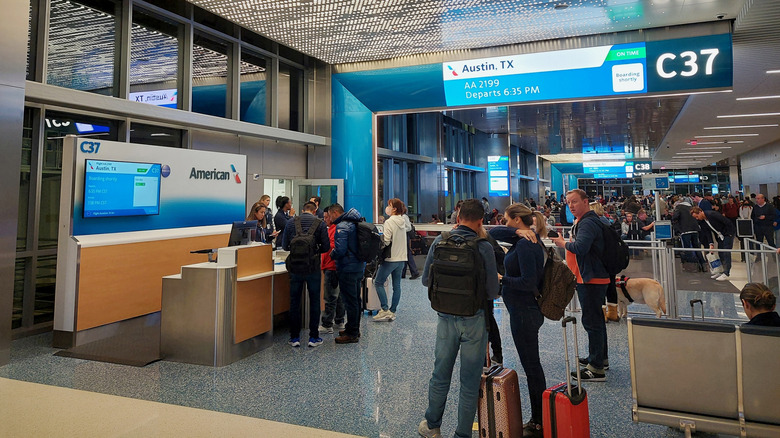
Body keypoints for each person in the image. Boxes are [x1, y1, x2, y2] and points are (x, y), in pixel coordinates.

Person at [418, 199, 499, 438]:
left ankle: (432, 425)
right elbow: (493, 291)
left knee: (440, 374)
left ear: (458, 216)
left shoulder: (441, 241)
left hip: (445, 317)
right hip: (474, 320)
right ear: (480, 220)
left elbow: (425, 281)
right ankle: (462, 434)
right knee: (469, 381)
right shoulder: (483, 246)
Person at [488, 204, 548, 438]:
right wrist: (516, 232)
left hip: (525, 311)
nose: (503, 222)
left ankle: (538, 421)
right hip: (523, 310)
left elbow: (528, 282)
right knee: (531, 365)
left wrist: (503, 279)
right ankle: (539, 418)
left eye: (506, 219)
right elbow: (492, 234)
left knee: (532, 366)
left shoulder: (525, 246)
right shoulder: (522, 240)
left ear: (515, 219)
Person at [551, 189, 610, 382]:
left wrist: (562, 243)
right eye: (568, 202)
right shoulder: (587, 221)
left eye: (575, 201)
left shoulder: (587, 223)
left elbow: (581, 248)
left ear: (586, 202)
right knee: (597, 321)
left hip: (590, 279)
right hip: (592, 277)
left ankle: (596, 369)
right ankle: (599, 358)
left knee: (592, 322)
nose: (571, 206)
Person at [281, 201, 330, 347]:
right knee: (315, 301)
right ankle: (313, 337)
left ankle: (294, 337)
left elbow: (284, 246)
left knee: (294, 301)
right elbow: (326, 246)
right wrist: (314, 251)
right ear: (315, 211)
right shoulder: (320, 223)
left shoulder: (291, 223)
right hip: (313, 268)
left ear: (302, 210)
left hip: (295, 268)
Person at [330, 203, 366, 344]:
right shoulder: (356, 222)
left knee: (350, 301)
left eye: (330, 214)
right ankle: (353, 328)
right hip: (358, 266)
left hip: (347, 268)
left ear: (334, 212)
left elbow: (340, 250)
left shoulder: (343, 226)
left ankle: (352, 333)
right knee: (355, 299)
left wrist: (332, 254)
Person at [373, 198, 408, 322]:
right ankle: (392, 311)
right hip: (402, 258)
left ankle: (384, 309)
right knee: (396, 286)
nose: (387, 207)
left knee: (378, 282)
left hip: (390, 258)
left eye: (389, 205)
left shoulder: (389, 222)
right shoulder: (403, 221)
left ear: (394, 209)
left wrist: (378, 240)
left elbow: (387, 240)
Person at [319, 206, 345, 334]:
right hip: (334, 266)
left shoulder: (336, 229)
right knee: (338, 296)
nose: (325, 220)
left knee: (330, 296)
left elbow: (333, 247)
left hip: (331, 266)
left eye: (327, 217)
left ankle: (327, 323)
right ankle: (339, 320)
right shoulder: (337, 228)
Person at [691, 206, 735, 281]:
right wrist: (711, 243)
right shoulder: (702, 221)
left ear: (700, 212)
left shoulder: (712, 214)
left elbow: (727, 222)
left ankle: (726, 272)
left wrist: (730, 233)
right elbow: (707, 232)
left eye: (697, 216)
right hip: (720, 235)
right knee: (721, 253)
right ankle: (721, 271)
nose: (697, 218)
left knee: (726, 253)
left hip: (727, 233)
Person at [672, 197, 707, 272]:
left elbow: (675, 217)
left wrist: (677, 228)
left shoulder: (679, 207)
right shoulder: (691, 207)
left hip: (685, 230)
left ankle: (692, 266)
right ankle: (703, 265)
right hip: (695, 230)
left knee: (687, 249)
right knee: (697, 248)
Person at [402, 206, 421, 280]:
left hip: (404, 235)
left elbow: (408, 228)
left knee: (407, 254)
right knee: (406, 254)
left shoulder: (404, 217)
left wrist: (402, 229)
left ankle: (414, 272)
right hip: (404, 236)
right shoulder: (403, 217)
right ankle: (405, 272)